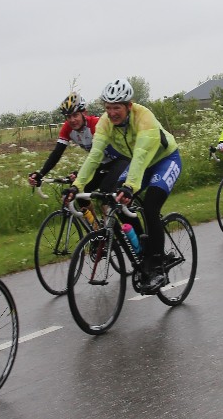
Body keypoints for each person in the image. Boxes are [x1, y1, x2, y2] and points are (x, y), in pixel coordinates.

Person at [67, 78, 182, 294]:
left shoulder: (144, 117)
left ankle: (157, 264)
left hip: (165, 160)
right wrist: (77, 186)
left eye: (116, 108)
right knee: (114, 198)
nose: (112, 113)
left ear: (129, 105)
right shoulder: (104, 123)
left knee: (151, 206)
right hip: (140, 165)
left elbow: (140, 155)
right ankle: (141, 246)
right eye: (108, 107)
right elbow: (94, 156)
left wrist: (130, 186)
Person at [28, 94, 102, 187]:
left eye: (75, 115)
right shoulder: (67, 127)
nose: (72, 120)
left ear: (84, 113)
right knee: (80, 191)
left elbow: (98, 155)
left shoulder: (95, 124)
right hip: (100, 162)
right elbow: (57, 153)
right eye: (68, 116)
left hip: (116, 160)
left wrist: (81, 173)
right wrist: (41, 174)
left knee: (105, 189)